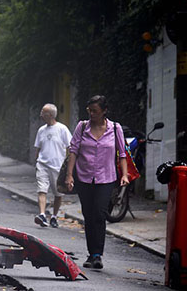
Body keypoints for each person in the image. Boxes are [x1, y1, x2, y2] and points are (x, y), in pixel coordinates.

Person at [65, 95, 128, 269]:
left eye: (95, 111)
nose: (91, 114)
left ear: (104, 111)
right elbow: (74, 151)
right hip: (84, 177)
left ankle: (97, 254)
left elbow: (122, 154)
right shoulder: (82, 126)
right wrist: (69, 175)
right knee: (89, 215)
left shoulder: (115, 128)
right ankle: (91, 253)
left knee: (100, 214)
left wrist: (125, 174)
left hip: (106, 178)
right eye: (89, 111)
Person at [33, 104, 72, 228]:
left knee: (58, 194)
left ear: (50, 115)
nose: (40, 115)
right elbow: (38, 148)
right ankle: (42, 215)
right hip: (42, 164)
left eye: (43, 113)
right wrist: (36, 162)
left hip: (57, 166)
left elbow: (70, 147)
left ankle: (54, 217)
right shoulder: (41, 130)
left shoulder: (62, 129)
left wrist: (68, 166)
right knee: (42, 189)